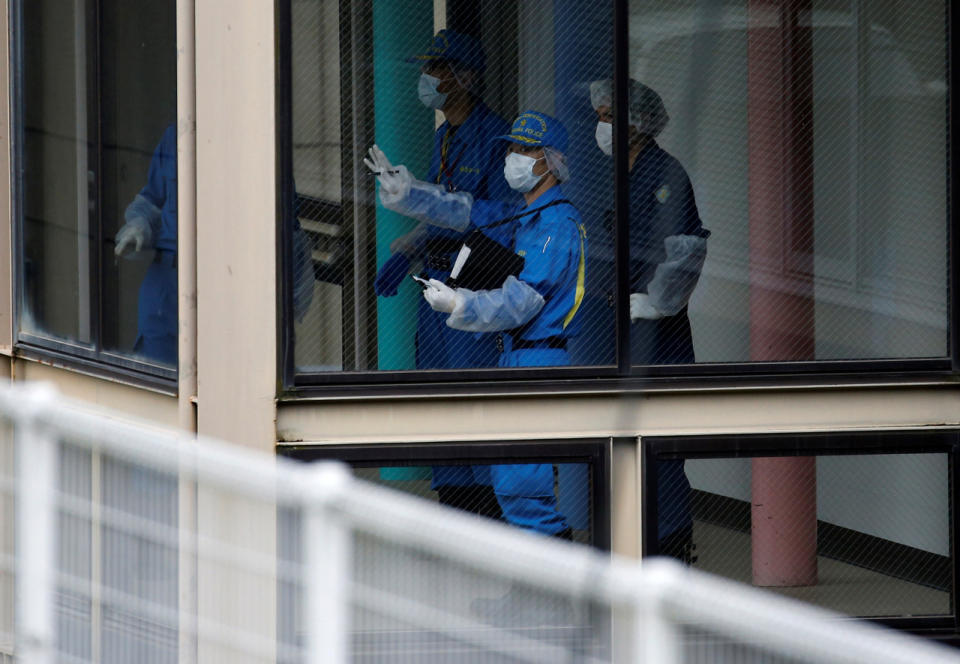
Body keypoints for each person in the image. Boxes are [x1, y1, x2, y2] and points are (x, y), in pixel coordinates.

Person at [367, 109, 584, 625]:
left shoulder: (555, 223)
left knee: (523, 481)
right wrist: (411, 191)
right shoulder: (528, 214)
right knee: (513, 481)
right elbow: (469, 210)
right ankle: (533, 592)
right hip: (519, 354)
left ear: (550, 163)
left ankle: (552, 597)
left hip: (538, 356)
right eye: (513, 148)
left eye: (526, 151)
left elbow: (525, 300)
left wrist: (461, 304)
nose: (514, 159)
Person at [374, 29, 514, 519]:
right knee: (435, 393)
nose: (425, 78)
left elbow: (496, 219)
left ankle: (484, 514)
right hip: (435, 285)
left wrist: (428, 203)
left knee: (471, 397)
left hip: (474, 289)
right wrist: (412, 244)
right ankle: (452, 505)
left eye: (435, 69)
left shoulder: (496, 140)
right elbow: (443, 209)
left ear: (462, 78)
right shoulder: (443, 136)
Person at [591, 78, 710, 563]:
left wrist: (657, 303)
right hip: (619, 325)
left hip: (658, 332)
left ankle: (670, 545)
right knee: (624, 437)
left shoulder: (666, 174)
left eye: (608, 116)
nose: (601, 126)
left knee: (661, 439)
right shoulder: (619, 173)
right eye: (599, 115)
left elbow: (686, 251)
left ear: (637, 121)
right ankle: (634, 540)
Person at [115, 124, 314, 366]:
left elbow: (286, 231)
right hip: (167, 290)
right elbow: (152, 200)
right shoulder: (178, 134)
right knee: (160, 386)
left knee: (227, 382)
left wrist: (280, 300)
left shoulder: (259, 143)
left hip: (232, 292)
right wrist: (138, 226)